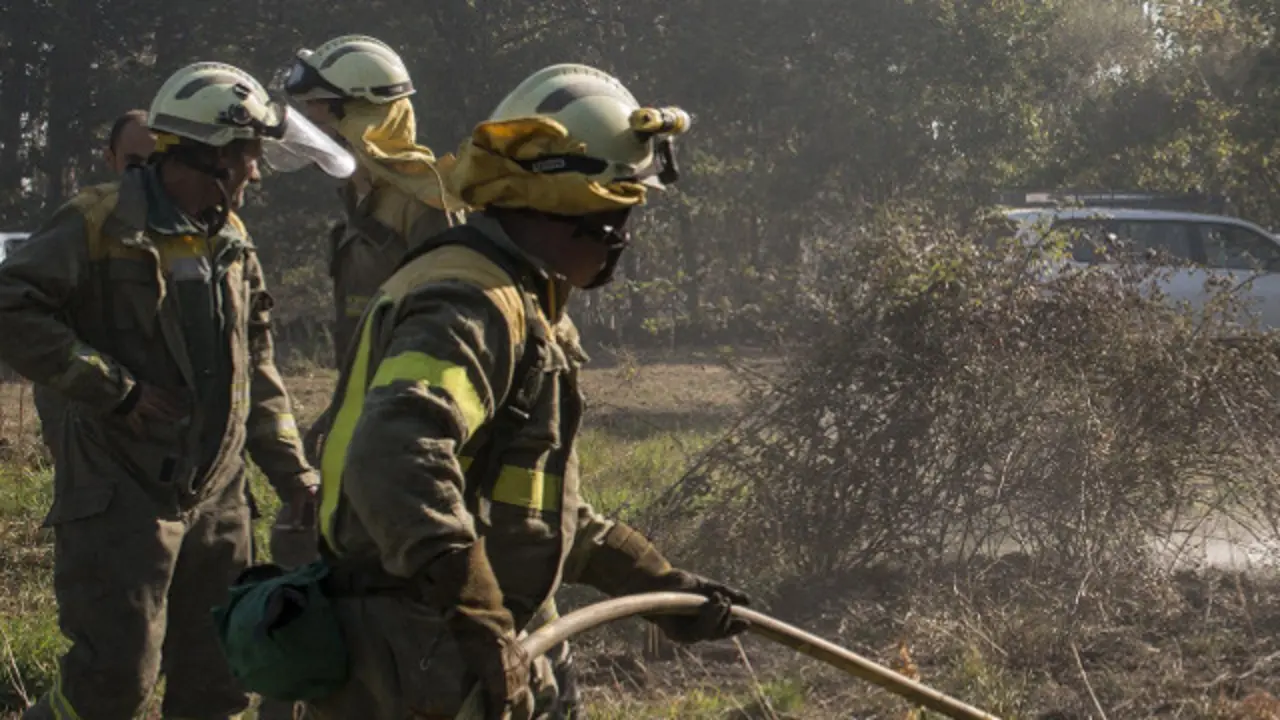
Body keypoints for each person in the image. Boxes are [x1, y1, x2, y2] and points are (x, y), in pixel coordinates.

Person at [303, 62, 751, 720]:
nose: (626, 234)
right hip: (421, 651)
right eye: (624, 208)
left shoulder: (518, 298)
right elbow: (395, 457)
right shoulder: (472, 302)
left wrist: (658, 585)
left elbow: (527, 508)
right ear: (587, 212)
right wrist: (480, 621)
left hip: (449, 639)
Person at [0, 61, 356, 720]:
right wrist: (116, 391)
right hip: (120, 487)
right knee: (112, 682)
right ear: (208, 155)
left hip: (218, 494)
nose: (255, 173)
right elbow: (11, 306)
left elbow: (257, 367)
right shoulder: (98, 222)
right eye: (247, 156)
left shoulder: (232, 238)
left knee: (218, 683)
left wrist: (292, 472)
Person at [281, 34, 465, 366]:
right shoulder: (358, 193)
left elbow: (452, 321)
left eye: (318, 109)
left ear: (362, 118)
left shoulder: (424, 200)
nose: (311, 126)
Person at [31, 109, 157, 465]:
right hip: (87, 414)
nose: (145, 175)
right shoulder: (87, 224)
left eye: (156, 163)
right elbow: (25, 312)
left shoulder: (191, 230)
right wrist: (107, 389)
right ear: (110, 159)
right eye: (134, 163)